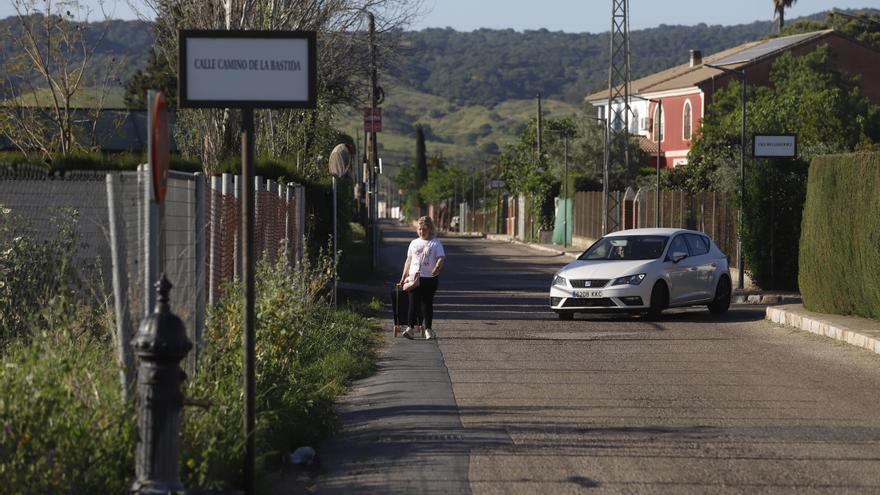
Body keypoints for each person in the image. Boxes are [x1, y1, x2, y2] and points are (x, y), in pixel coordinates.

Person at [398, 216, 445, 340]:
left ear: (430, 229)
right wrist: (403, 277)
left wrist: (437, 267)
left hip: (430, 278)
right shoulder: (413, 243)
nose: (421, 232)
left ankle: (428, 329)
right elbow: (408, 260)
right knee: (413, 303)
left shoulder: (436, 242)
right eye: (419, 229)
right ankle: (410, 328)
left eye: (424, 229)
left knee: (427, 304)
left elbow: (441, 257)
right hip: (414, 278)